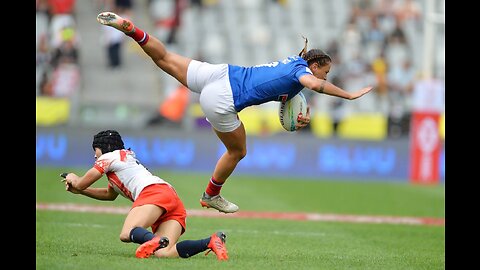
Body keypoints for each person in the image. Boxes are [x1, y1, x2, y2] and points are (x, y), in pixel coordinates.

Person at [96, 12, 374, 214]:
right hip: (225, 98)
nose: (325, 76)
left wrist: (299, 114)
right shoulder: (304, 73)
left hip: (221, 73)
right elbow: (313, 84)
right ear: (315, 66)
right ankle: (211, 195)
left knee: (165, 58)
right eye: (326, 72)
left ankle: (131, 29)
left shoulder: (293, 62)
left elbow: (284, 91)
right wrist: (348, 95)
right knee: (237, 152)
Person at [61, 130, 229, 260]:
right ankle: (210, 241)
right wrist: (81, 191)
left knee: (127, 233)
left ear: (104, 148)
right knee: (164, 253)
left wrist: (72, 178)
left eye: (95, 150)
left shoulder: (108, 157)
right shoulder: (122, 160)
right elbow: (109, 194)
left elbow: (81, 182)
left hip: (153, 192)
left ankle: (152, 240)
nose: (94, 155)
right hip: (170, 195)